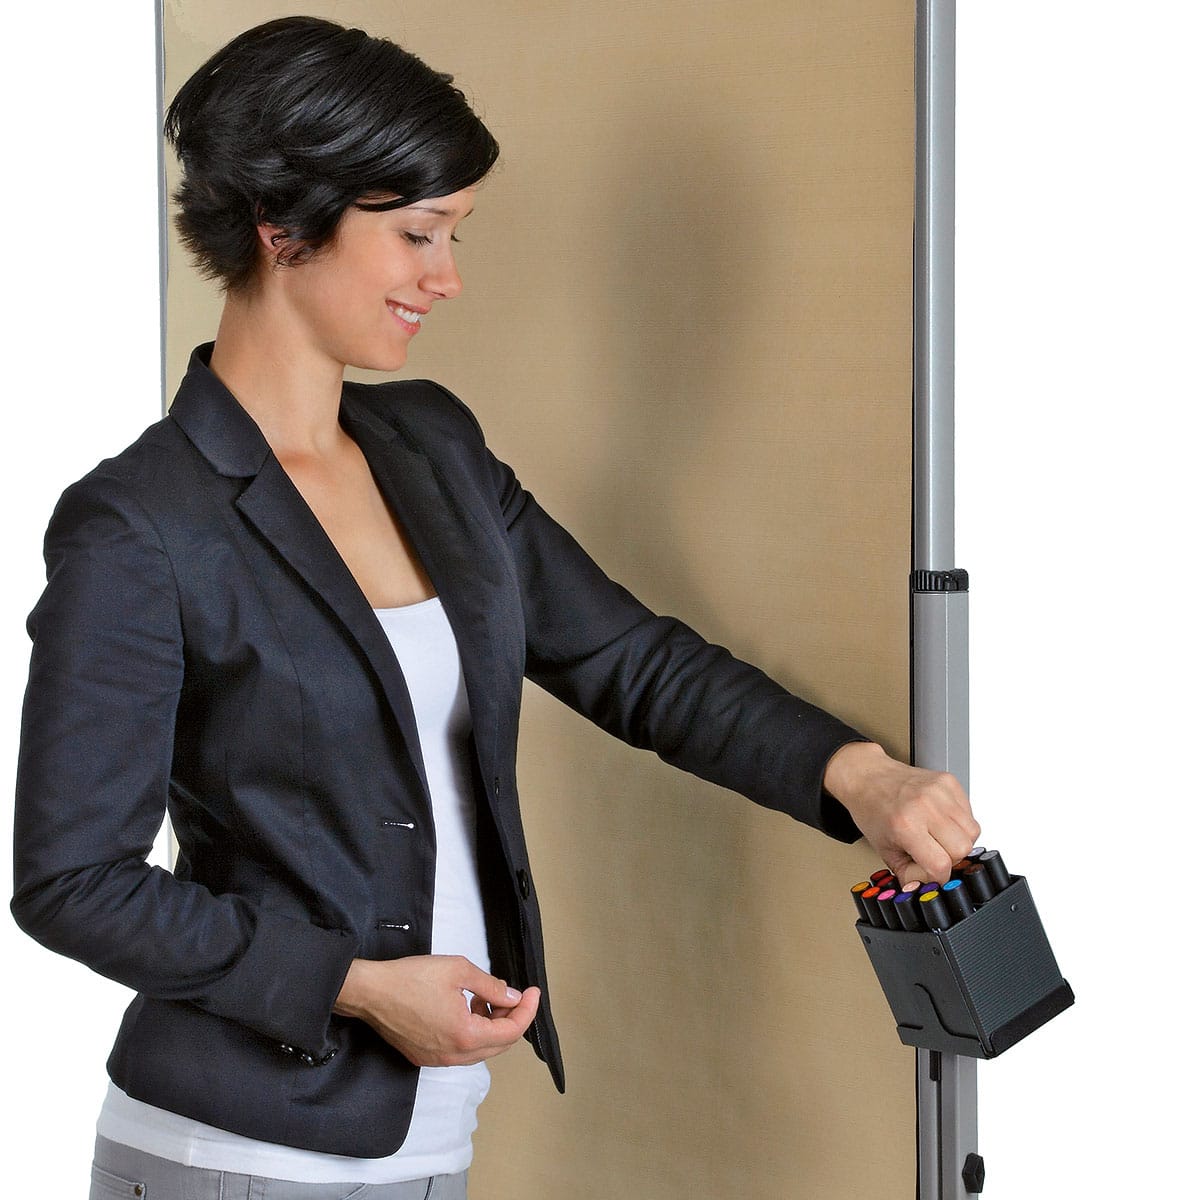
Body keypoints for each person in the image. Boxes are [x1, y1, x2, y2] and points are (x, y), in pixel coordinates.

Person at [10, 16, 978, 1199]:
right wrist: (356, 987)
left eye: (454, 235)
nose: (448, 277)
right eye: (417, 234)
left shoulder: (436, 449)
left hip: (432, 1150)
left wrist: (857, 775)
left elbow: (631, 663)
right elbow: (74, 883)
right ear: (279, 225)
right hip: (236, 1159)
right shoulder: (141, 524)